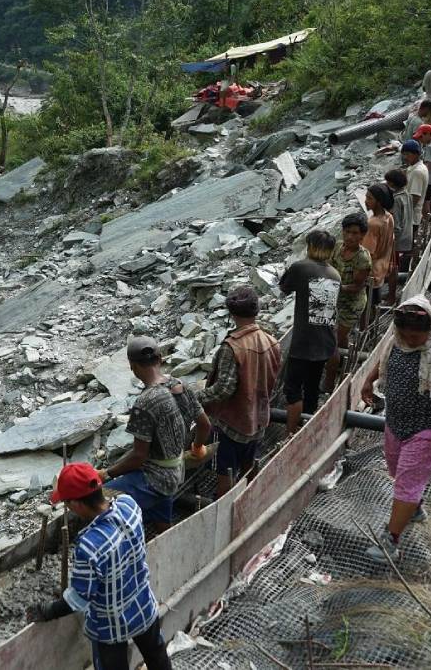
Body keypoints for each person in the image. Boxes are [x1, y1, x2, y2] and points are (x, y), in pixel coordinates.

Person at [28, 462, 172, 670]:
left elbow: (79, 598)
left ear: (77, 505)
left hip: (111, 626)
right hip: (143, 607)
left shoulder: (89, 545)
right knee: (157, 655)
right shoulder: (128, 506)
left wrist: (47, 610)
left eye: (67, 503)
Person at [360, 296, 431, 563]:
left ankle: (391, 542)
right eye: (405, 334)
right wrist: (368, 381)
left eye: (415, 335)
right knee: (397, 471)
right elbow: (384, 360)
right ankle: (414, 508)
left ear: (428, 330)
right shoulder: (398, 340)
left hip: (428, 428)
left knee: (407, 482)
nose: (410, 339)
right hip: (396, 422)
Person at [98, 336, 211, 533]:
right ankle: (165, 534)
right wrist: (197, 447)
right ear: (160, 358)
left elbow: (138, 457)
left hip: (155, 478)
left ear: (133, 367)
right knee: (161, 511)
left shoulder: (144, 403)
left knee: (103, 498)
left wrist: (106, 474)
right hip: (177, 471)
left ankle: (120, 541)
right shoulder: (179, 385)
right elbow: (204, 425)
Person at [196, 287, 282, 498]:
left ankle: (223, 510)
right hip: (257, 418)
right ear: (257, 311)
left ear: (232, 314)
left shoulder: (232, 347)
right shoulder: (271, 342)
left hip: (230, 424)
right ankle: (252, 500)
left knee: (225, 472)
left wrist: (194, 397)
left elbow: (224, 389)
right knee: (249, 465)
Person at [278, 230, 340, 435]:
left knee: (292, 389)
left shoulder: (301, 267)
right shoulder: (334, 274)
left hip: (304, 342)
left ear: (311, 246)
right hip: (326, 340)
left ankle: (289, 433)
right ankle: (307, 427)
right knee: (312, 388)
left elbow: (284, 288)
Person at [323, 213, 372, 389]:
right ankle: (341, 362)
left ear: (362, 235)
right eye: (347, 232)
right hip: (335, 298)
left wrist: (335, 286)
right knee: (339, 337)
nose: (350, 236)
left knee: (333, 341)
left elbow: (358, 286)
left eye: (355, 233)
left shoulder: (363, 258)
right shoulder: (337, 248)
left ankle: (329, 383)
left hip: (352, 304)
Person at [362, 184, 396, 314]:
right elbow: (392, 242)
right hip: (382, 267)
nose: (365, 201)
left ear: (379, 202)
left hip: (371, 271)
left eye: (369, 198)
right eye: (366, 197)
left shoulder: (372, 224)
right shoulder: (388, 217)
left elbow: (367, 253)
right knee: (374, 302)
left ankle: (367, 330)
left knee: (367, 307)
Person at [384, 169, 414, 306]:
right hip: (407, 235)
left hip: (397, 240)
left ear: (392, 183)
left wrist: (388, 240)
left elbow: (396, 224)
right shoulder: (406, 194)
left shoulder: (396, 199)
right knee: (393, 267)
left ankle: (391, 297)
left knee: (392, 269)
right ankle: (391, 294)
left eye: (388, 182)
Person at [402, 140, 429, 241]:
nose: (405, 157)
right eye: (404, 154)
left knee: (407, 246)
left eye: (407, 154)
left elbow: (415, 197)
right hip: (412, 215)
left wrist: (403, 214)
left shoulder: (417, 172)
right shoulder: (417, 168)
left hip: (411, 217)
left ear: (416, 154)